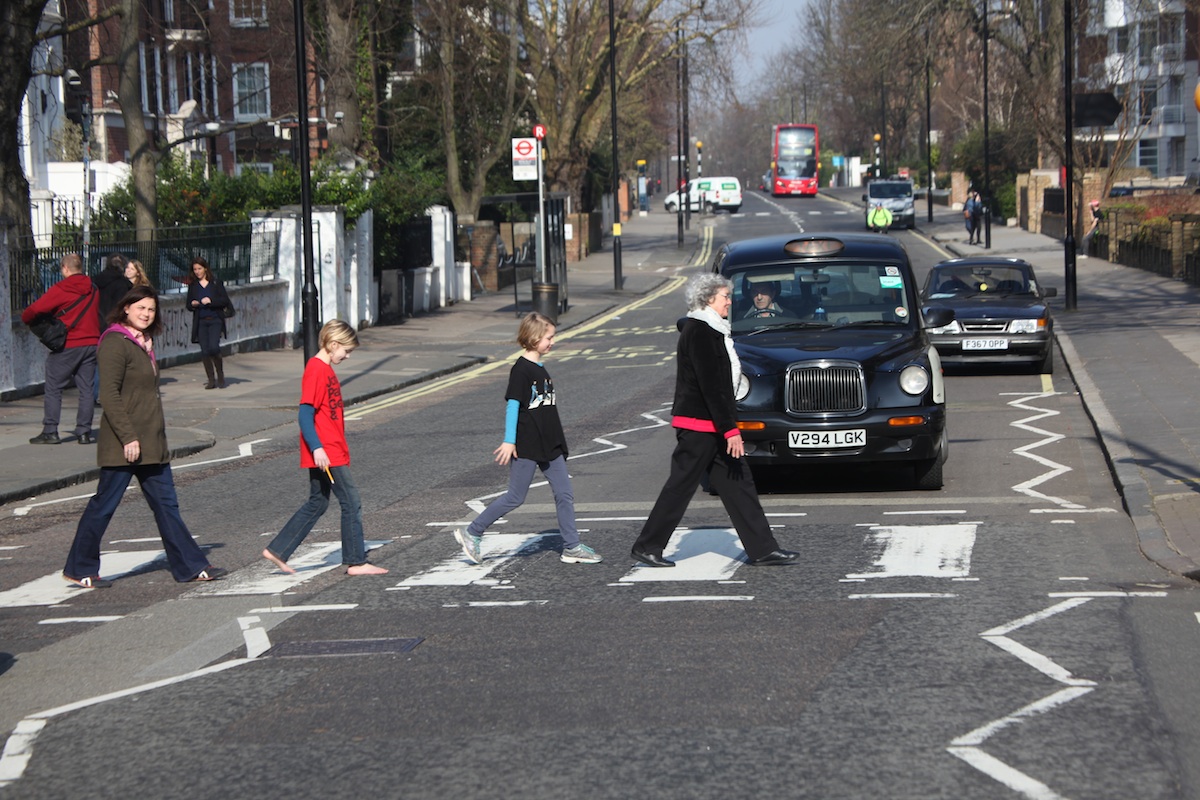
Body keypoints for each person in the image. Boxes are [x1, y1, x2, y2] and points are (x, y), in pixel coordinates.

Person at [62, 285, 227, 588]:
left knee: (167, 506)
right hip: (124, 443)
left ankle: (190, 565)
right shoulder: (115, 342)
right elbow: (108, 395)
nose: (146, 314)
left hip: (151, 441)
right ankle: (80, 567)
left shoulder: (144, 342)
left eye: (151, 310)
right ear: (126, 308)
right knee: (104, 505)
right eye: (141, 308)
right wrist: (128, 438)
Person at [631, 274, 799, 568]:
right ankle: (647, 546)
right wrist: (730, 430)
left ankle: (762, 549)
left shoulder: (712, 329)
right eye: (725, 296)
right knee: (680, 486)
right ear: (709, 299)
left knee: (740, 485)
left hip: (711, 425)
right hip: (701, 427)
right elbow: (713, 386)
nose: (729, 302)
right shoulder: (701, 332)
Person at [453, 312, 603, 566]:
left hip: (551, 444)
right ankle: (473, 532)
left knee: (564, 494)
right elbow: (513, 406)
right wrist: (509, 440)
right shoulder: (521, 370)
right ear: (533, 338)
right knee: (515, 496)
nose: (552, 342)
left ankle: (572, 546)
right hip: (528, 444)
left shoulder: (541, 369)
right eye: (549, 337)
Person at [262, 320, 389, 577]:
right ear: (333, 344)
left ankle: (278, 549)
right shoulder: (316, 370)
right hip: (327, 453)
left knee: (317, 503)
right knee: (351, 501)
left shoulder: (324, 369)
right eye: (346, 350)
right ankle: (356, 561)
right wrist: (318, 448)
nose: (348, 355)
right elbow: (304, 414)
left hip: (329, 449)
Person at [21, 253, 100, 445]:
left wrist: (27, 318)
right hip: (92, 343)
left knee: (54, 387)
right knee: (86, 389)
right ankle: (84, 431)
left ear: (65, 268)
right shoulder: (93, 288)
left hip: (69, 344)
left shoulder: (62, 288)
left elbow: (34, 310)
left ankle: (50, 430)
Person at [92, 253, 133, 406]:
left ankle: (94, 394)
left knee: (98, 362)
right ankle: (112, 393)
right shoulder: (123, 285)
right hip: (115, 326)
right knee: (116, 361)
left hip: (97, 323)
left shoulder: (96, 282)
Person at [186, 256, 232, 389]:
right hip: (201, 321)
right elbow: (188, 305)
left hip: (215, 320)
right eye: (195, 269)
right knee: (205, 351)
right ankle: (211, 379)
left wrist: (211, 301)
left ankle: (220, 374)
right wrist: (193, 304)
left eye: (199, 269)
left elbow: (224, 301)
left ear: (205, 268)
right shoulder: (193, 286)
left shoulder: (216, 283)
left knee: (214, 347)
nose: (197, 272)